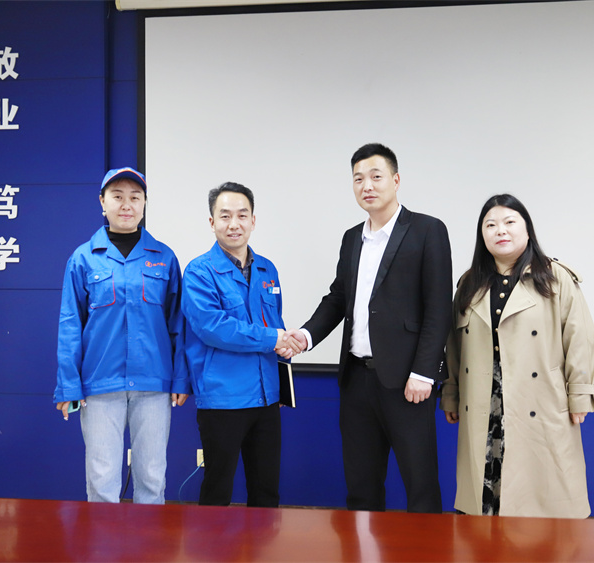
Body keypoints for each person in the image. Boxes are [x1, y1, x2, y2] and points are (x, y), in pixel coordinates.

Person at [284, 143, 453, 513]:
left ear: (396, 180)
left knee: (420, 485)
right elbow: (338, 297)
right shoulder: (352, 238)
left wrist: (424, 372)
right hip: (357, 380)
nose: (367, 186)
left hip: (408, 382)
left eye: (376, 176)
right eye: (358, 179)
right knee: (361, 487)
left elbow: (439, 308)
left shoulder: (427, 230)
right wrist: (306, 335)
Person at [439, 193, 594, 518]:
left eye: (509, 221)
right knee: (485, 500)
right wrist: (451, 394)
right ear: (482, 235)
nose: (500, 230)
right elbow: (454, 347)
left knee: (543, 502)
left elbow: (581, 340)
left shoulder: (555, 278)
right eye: (490, 225)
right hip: (484, 402)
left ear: (527, 229)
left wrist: (580, 395)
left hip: (540, 400)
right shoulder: (470, 283)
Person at [54, 167, 189, 504]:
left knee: (152, 479)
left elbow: (178, 323)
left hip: (154, 385)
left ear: (144, 204)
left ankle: (148, 540)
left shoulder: (164, 258)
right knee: (101, 481)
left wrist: (180, 379)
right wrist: (68, 385)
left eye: (135, 197)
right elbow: (70, 324)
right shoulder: (83, 258)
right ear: (102, 202)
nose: (126, 205)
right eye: (117, 197)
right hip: (101, 384)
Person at [182, 182, 302, 507]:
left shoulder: (267, 269)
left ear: (253, 220)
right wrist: (274, 338)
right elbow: (214, 328)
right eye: (225, 216)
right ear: (212, 222)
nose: (234, 224)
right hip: (223, 399)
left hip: (266, 399)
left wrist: (284, 352)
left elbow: (274, 323)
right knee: (218, 490)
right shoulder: (199, 272)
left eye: (242, 215)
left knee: (266, 492)